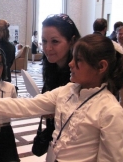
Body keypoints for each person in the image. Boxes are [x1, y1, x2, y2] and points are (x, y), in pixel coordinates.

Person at [0, 34, 123, 162]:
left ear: (101, 66)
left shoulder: (111, 111)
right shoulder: (67, 90)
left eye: (78, 60)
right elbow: (27, 105)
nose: (71, 64)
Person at [40, 14, 81, 150]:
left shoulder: (81, 72)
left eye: (55, 41)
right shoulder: (51, 65)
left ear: (72, 41)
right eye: (44, 41)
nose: (48, 48)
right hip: (55, 136)